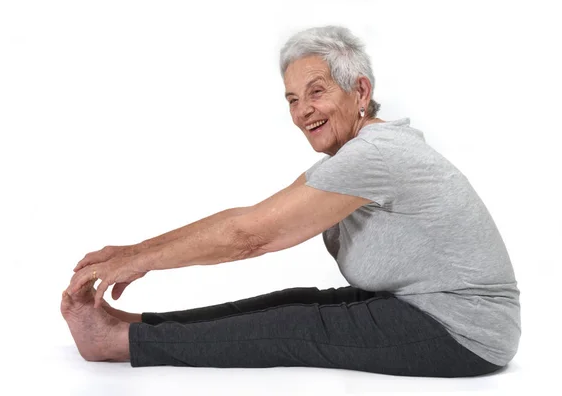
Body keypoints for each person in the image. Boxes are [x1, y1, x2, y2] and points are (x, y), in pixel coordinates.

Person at [61, 25, 520, 377]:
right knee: (296, 301)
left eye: (316, 92)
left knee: (297, 327)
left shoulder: (376, 154)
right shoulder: (362, 153)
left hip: (463, 332)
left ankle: (121, 342)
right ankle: (137, 326)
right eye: (293, 99)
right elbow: (247, 219)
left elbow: (250, 236)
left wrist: (142, 259)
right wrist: (135, 252)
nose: (302, 112)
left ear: (360, 91)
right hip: (420, 306)